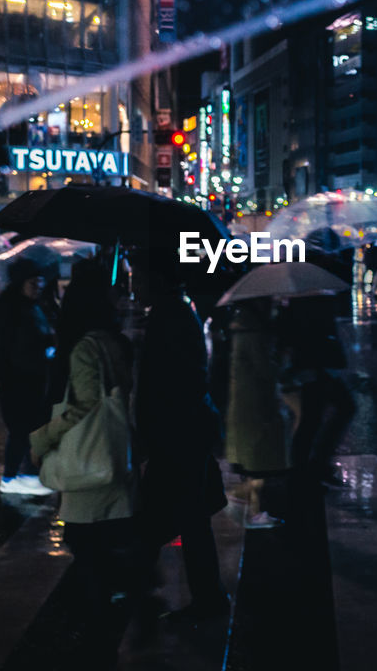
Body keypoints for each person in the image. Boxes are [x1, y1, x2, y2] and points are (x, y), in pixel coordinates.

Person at [30, 261, 140, 667]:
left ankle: (96, 639)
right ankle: (112, 617)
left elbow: (84, 406)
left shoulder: (83, 346)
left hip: (88, 461)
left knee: (86, 546)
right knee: (103, 545)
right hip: (116, 454)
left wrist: (42, 438)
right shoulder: (115, 340)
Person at [136, 260, 229, 619]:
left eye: (139, 273)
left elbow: (169, 381)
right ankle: (144, 584)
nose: (134, 282)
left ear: (157, 276)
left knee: (179, 517)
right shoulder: (173, 309)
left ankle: (203, 599)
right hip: (184, 431)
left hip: (177, 433)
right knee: (178, 516)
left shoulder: (170, 314)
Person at [0, 258, 56, 495]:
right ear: (20, 283)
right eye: (33, 282)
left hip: (32, 377)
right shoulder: (10, 309)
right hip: (15, 380)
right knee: (20, 429)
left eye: (41, 282)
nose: (38, 286)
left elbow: (40, 335)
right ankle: (11, 477)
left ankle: (25, 473)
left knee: (29, 428)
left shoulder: (34, 306)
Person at [224, 298, 289, 527]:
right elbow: (264, 370)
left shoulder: (245, 327)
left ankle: (253, 513)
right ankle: (237, 496)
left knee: (256, 464)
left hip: (248, 404)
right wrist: (280, 358)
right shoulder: (252, 332)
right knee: (262, 462)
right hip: (254, 406)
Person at [278, 294, 354, 489]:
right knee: (320, 415)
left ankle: (307, 468)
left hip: (316, 363)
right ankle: (307, 468)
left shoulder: (305, 297)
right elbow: (302, 330)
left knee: (314, 417)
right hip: (314, 363)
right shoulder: (306, 298)